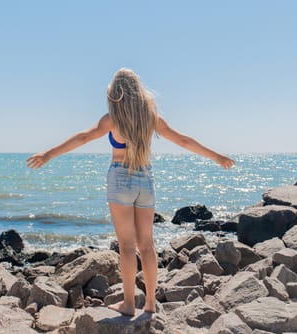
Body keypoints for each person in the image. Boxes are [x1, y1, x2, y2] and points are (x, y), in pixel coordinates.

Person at [26, 68, 235, 316]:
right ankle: (150, 303)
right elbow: (183, 141)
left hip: (120, 179)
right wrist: (217, 157)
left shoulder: (111, 119)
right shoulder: (151, 117)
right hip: (145, 180)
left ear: (115, 94)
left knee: (126, 246)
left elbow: (83, 138)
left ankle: (127, 304)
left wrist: (48, 154)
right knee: (147, 245)